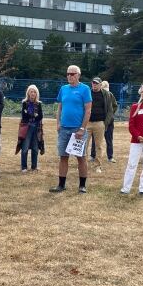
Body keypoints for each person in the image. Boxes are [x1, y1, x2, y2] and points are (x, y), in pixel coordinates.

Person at [50, 65, 92, 193]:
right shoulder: (63, 89)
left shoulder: (85, 89)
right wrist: (58, 123)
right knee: (63, 156)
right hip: (64, 128)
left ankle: (82, 185)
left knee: (81, 157)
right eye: (68, 73)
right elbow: (60, 108)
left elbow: (88, 110)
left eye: (72, 74)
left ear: (78, 75)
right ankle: (61, 185)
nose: (69, 76)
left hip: (77, 129)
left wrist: (82, 128)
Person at [86, 77, 115, 173]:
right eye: (93, 83)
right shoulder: (87, 93)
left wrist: (105, 123)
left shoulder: (106, 94)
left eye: (96, 83)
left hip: (100, 123)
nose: (94, 85)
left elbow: (110, 109)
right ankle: (82, 164)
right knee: (83, 145)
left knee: (99, 146)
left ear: (100, 84)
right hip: (87, 123)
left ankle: (98, 166)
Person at [90, 80, 118, 163]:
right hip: (98, 122)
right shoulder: (96, 94)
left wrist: (110, 115)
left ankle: (110, 157)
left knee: (109, 139)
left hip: (108, 122)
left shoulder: (110, 95)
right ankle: (93, 155)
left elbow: (114, 106)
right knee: (95, 140)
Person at [17, 84, 43, 172]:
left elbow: (41, 116)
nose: (33, 93)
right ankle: (24, 167)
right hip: (26, 127)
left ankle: (34, 167)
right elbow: (24, 116)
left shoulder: (39, 104)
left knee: (35, 148)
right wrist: (34, 115)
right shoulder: (24, 103)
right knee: (25, 148)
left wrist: (30, 114)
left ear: (37, 94)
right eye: (31, 91)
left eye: (35, 92)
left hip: (36, 128)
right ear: (28, 93)